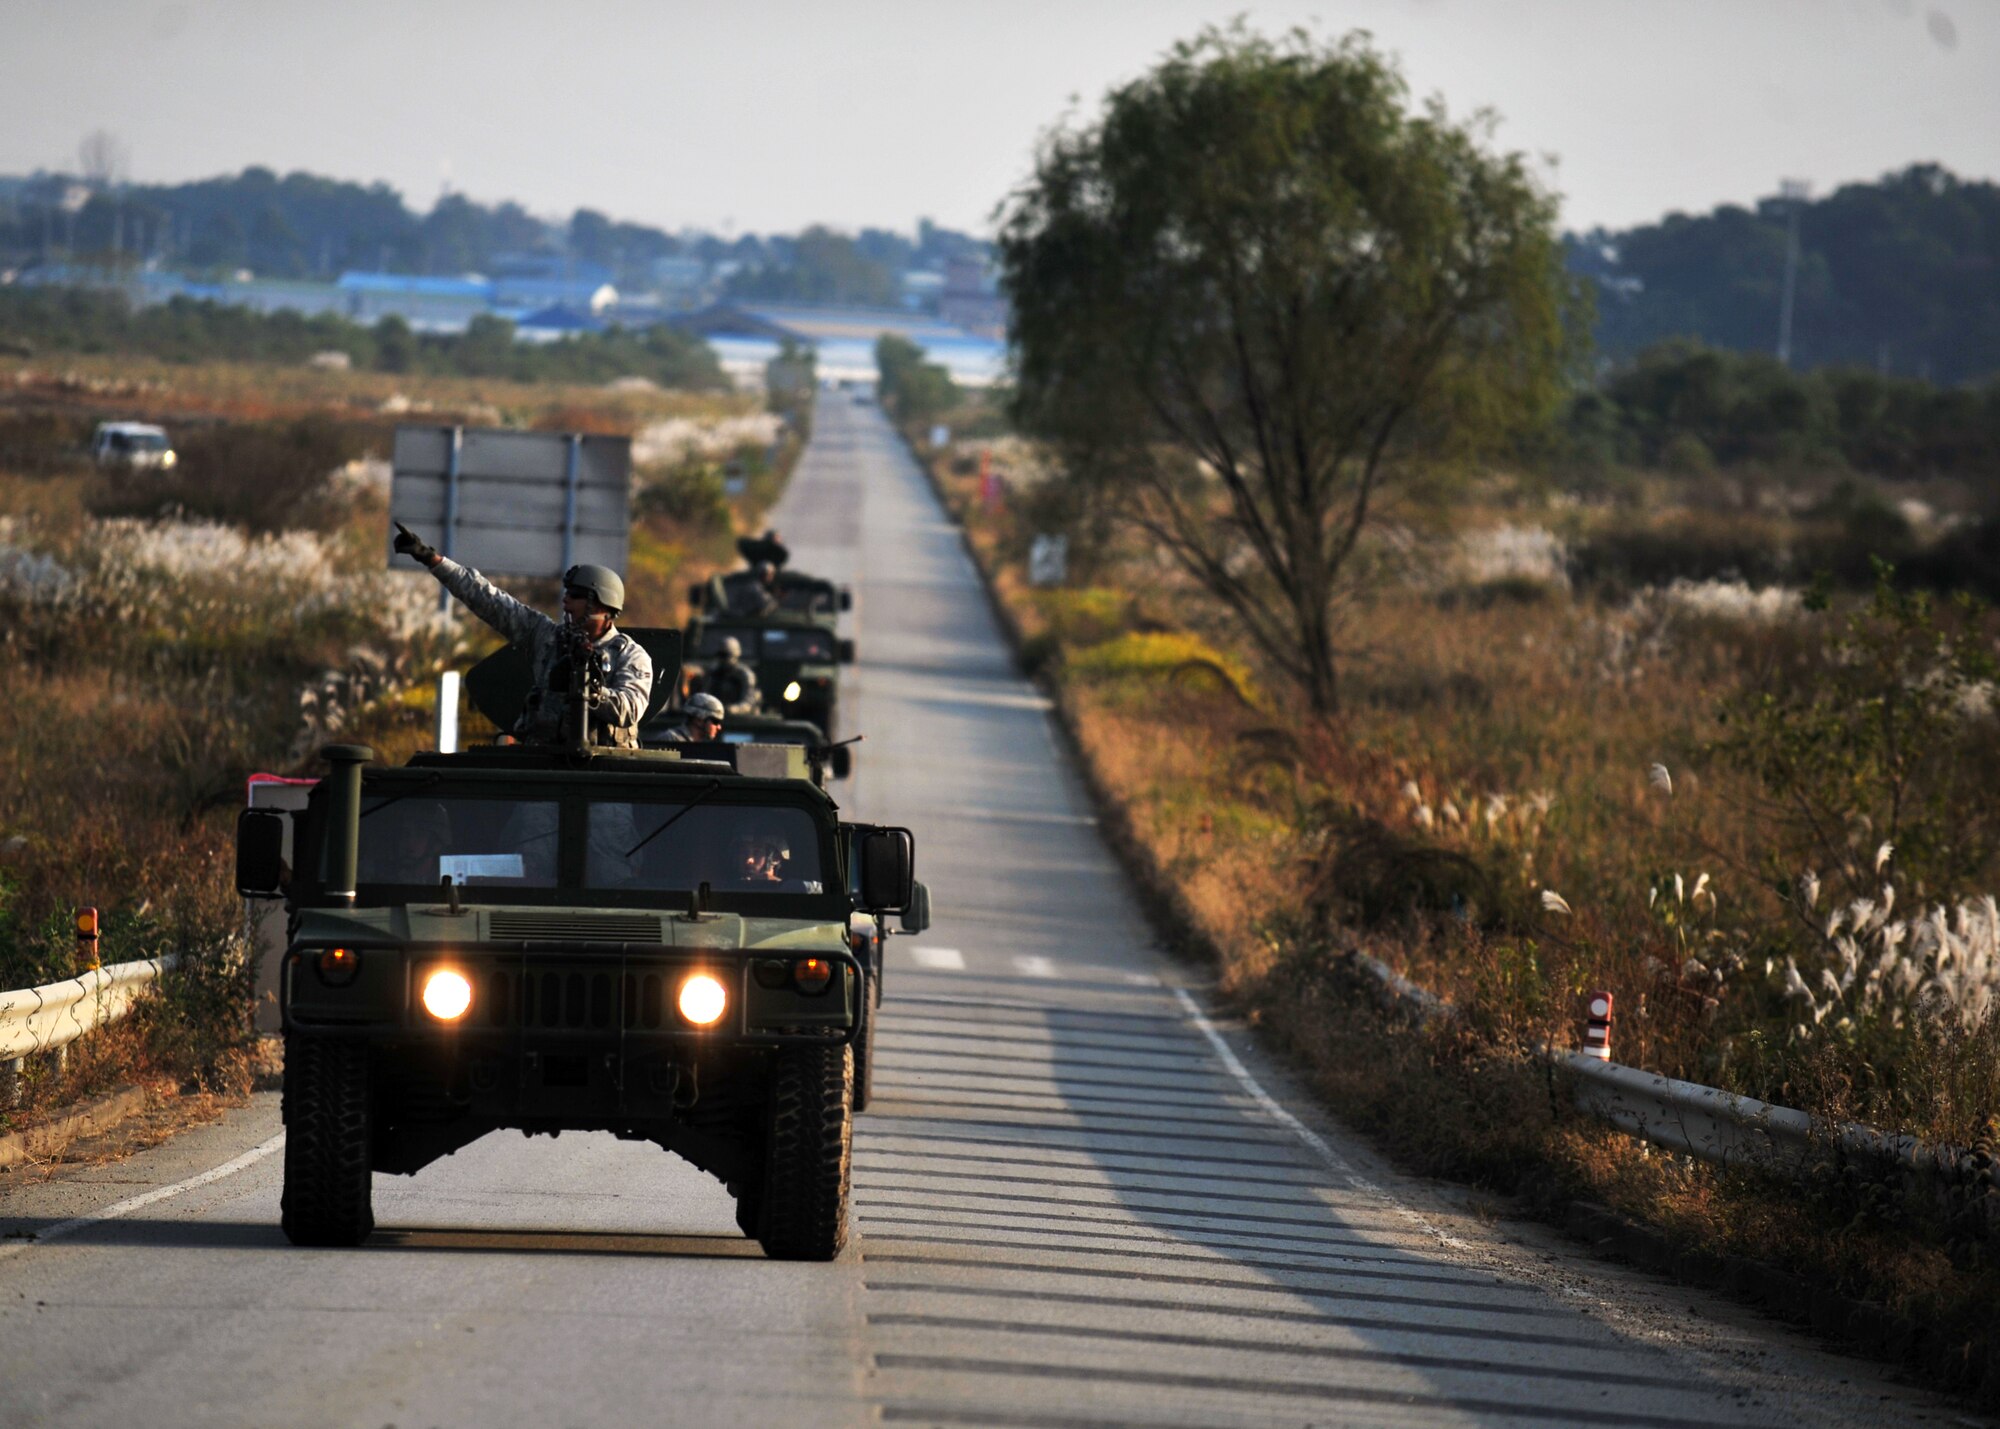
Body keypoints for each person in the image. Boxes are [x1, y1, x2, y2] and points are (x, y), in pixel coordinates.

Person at [394, 523, 652, 748]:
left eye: (574, 596)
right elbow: (489, 600)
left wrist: (590, 690)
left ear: (600, 604)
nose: (565, 602)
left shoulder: (630, 656)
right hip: (541, 769)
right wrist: (431, 559)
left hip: (601, 779)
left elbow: (629, 708)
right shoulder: (548, 639)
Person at [699, 636, 760, 713]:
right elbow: (705, 696)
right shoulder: (713, 674)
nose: (723, 660)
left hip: (741, 718)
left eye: (725, 655)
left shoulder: (745, 675)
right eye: (721, 655)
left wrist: (733, 709)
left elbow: (748, 702)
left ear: (735, 655)